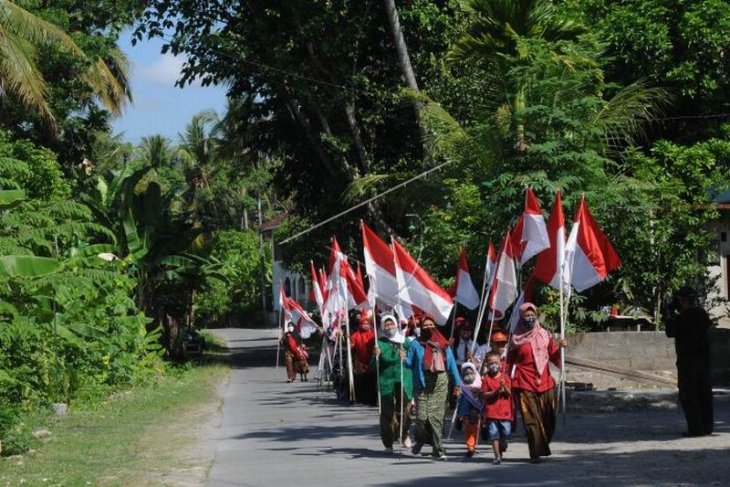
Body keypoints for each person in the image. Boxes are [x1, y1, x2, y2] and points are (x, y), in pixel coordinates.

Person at [507, 302, 566, 463]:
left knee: (549, 418)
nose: (530, 318)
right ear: (521, 316)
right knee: (531, 419)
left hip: (546, 381)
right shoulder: (515, 339)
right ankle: (535, 452)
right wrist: (505, 380)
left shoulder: (545, 335)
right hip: (524, 383)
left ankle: (542, 444)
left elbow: (554, 355)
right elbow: (508, 362)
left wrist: (560, 348)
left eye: (532, 315)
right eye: (526, 315)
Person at [405, 316, 463, 460]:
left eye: (431, 324)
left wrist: (457, 383)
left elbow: (451, 365)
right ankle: (421, 439)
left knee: (435, 418)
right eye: (425, 326)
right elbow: (408, 363)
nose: (428, 327)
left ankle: (439, 450)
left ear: (435, 326)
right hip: (422, 384)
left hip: (439, 383)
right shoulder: (415, 344)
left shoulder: (442, 344)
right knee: (421, 417)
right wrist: (403, 358)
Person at [664, 286, 714, 437]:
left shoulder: (683, 317)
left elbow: (670, 331)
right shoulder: (701, 314)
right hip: (704, 361)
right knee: (704, 394)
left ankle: (696, 429)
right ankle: (707, 427)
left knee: (689, 395)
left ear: (683, 301)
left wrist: (667, 315)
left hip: (688, 362)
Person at [372, 314, 414, 453]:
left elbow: (414, 359)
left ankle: (404, 434)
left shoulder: (405, 341)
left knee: (406, 410)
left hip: (404, 380)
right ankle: (388, 443)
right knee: (387, 413)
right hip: (386, 381)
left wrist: (406, 357)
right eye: (386, 324)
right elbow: (372, 367)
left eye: (391, 324)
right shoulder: (379, 343)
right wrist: (376, 355)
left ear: (396, 325)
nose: (389, 327)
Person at [481, 351, 512, 464]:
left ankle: (503, 445)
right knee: (494, 434)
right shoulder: (486, 378)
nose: (493, 365)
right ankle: (497, 456)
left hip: (504, 412)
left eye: (496, 363)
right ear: (487, 364)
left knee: (506, 432)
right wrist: (495, 392)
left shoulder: (505, 377)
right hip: (491, 412)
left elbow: (509, 394)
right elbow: (484, 394)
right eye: (491, 363)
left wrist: (504, 387)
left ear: (500, 364)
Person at [456, 362, 483, 458]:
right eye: (466, 374)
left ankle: (472, 444)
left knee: (474, 425)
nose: (469, 376)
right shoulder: (461, 384)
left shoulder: (479, 382)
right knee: (468, 425)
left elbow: (483, 392)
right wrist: (457, 393)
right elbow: (456, 395)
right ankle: (470, 446)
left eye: (471, 373)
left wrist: (479, 392)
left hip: (475, 407)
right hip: (465, 407)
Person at [350, 312, 377, 405]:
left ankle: (372, 399)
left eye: (367, 324)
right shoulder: (355, 335)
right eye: (363, 324)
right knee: (361, 380)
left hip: (372, 361)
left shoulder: (374, 335)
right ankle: (361, 398)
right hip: (360, 362)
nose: (365, 325)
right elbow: (351, 345)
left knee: (372, 380)